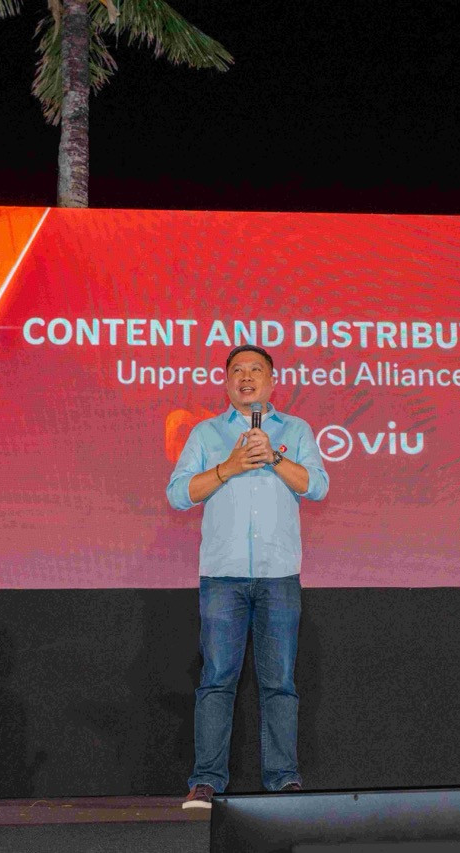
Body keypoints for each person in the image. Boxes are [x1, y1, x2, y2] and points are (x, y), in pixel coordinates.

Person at [167, 344, 329, 809]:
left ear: (272, 382)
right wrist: (229, 467)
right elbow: (178, 494)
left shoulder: (295, 430)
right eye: (237, 370)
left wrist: (274, 459)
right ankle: (207, 780)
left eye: (256, 370)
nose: (246, 377)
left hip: (279, 575)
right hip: (223, 575)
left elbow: (318, 486)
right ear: (226, 382)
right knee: (217, 679)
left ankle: (283, 779)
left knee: (279, 681)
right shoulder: (206, 433)